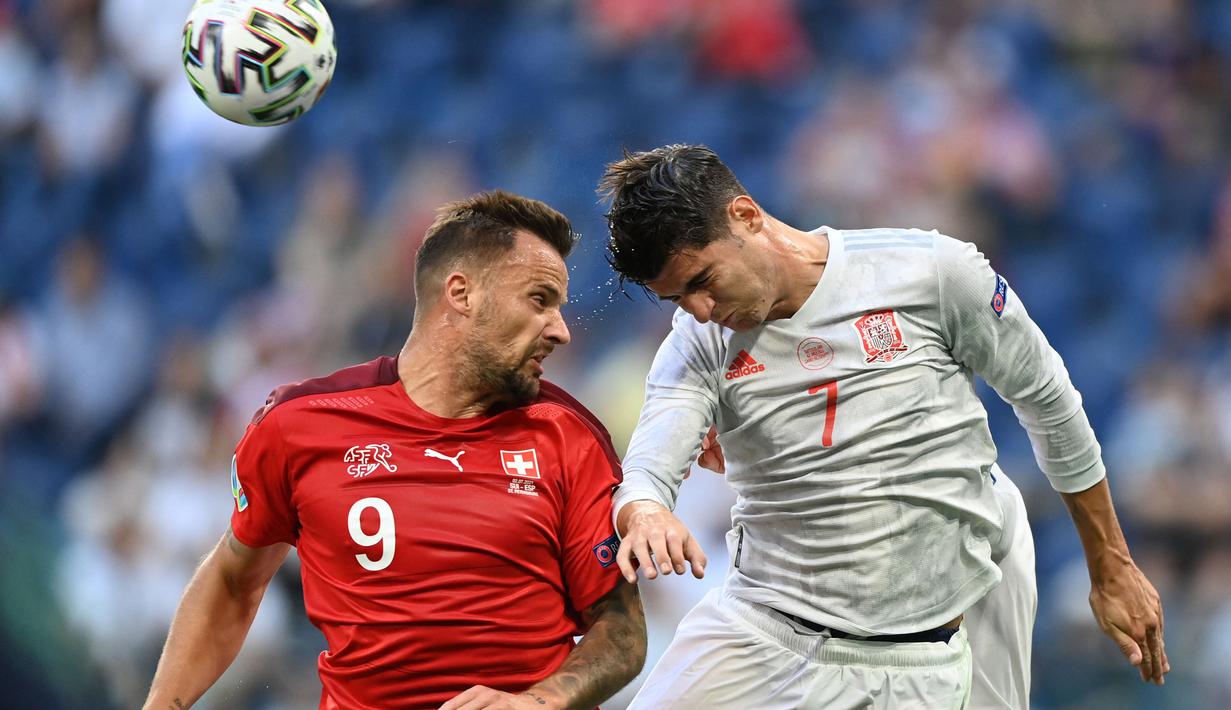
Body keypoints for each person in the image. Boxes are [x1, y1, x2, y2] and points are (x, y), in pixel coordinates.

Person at [598, 144, 1168, 708]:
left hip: (919, 655)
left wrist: (1110, 565)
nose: (699, 309)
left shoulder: (931, 273)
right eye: (677, 299)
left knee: (1000, 508)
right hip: (762, 632)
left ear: (745, 216)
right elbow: (648, 465)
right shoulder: (698, 343)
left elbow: (1049, 401)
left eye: (702, 280)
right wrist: (646, 509)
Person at [143, 191, 646, 710]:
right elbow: (232, 583)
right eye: (540, 300)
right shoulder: (300, 424)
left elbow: (621, 630)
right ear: (462, 293)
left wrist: (537, 703)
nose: (561, 330)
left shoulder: (569, 436)